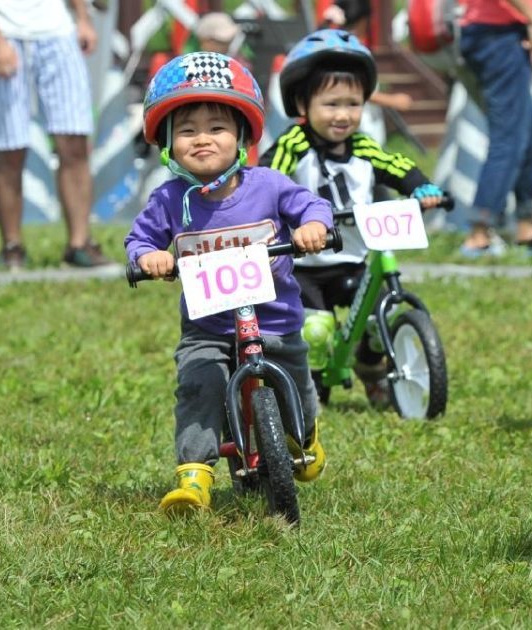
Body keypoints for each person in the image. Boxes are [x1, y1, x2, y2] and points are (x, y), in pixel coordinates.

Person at [125, 52, 333, 513]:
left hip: (275, 318)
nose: (202, 139)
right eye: (187, 130)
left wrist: (311, 228)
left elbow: (310, 206)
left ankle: (304, 434)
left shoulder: (269, 185)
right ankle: (195, 476)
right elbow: (138, 240)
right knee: (199, 385)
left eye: (217, 128)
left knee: (296, 382)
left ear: (241, 136)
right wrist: (150, 257)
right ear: (167, 142)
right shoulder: (168, 199)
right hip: (209, 326)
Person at [260, 29, 444, 407]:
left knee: (381, 318)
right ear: (302, 103)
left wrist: (423, 188)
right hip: (307, 265)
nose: (343, 115)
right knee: (315, 331)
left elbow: (397, 166)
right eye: (331, 105)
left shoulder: (364, 147)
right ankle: (310, 390)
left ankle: (372, 370)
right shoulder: (295, 145)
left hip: (356, 257)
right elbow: (270, 178)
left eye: (353, 104)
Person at [0, 0, 111, 270]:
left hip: (56, 30)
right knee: (11, 146)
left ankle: (79, 244)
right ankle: (12, 246)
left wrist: (82, 19)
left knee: (75, 141)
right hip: (0, 31)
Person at [456, 0, 532, 255]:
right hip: (496, 35)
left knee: (531, 138)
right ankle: (479, 232)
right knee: (509, 139)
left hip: (505, 32)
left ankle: (527, 229)